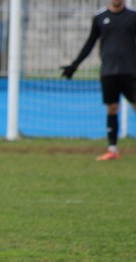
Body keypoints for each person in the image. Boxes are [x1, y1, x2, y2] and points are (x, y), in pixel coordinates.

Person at [62, 0, 136, 160]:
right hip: (109, 71)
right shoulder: (99, 17)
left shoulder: (133, 16)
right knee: (112, 108)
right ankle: (112, 149)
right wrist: (75, 65)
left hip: (131, 71)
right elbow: (90, 43)